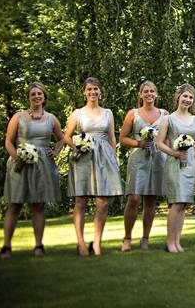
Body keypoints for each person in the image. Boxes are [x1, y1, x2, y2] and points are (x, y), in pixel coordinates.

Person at [0, 82, 64, 258]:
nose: (36, 97)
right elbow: (8, 140)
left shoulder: (52, 118)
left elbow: (61, 139)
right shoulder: (18, 117)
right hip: (20, 164)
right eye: (33, 94)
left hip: (42, 165)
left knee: (38, 205)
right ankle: (6, 246)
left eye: (39, 94)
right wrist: (17, 157)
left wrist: (56, 151)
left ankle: (38, 246)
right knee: (15, 204)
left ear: (44, 97)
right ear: (28, 97)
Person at [63, 77, 123, 256]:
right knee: (80, 200)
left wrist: (113, 158)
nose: (92, 92)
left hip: (104, 158)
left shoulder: (108, 113)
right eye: (89, 89)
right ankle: (80, 243)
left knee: (102, 202)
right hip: (83, 158)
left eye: (95, 89)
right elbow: (66, 136)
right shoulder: (77, 113)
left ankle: (97, 242)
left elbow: (112, 137)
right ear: (84, 92)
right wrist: (77, 148)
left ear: (100, 92)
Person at [118, 80, 167, 251]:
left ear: (156, 94)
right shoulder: (133, 114)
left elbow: (166, 138)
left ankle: (145, 238)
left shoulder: (164, 114)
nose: (149, 94)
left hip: (158, 158)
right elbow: (122, 138)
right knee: (134, 198)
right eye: (146, 91)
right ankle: (127, 238)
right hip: (139, 158)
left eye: (152, 91)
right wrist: (138, 144)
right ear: (140, 94)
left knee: (151, 199)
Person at [157, 83, 195, 253]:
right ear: (178, 97)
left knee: (184, 205)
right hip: (175, 164)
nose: (187, 100)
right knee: (176, 203)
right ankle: (170, 242)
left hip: (190, 165)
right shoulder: (167, 119)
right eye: (185, 96)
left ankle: (177, 241)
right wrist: (173, 153)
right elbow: (160, 143)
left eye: (190, 97)